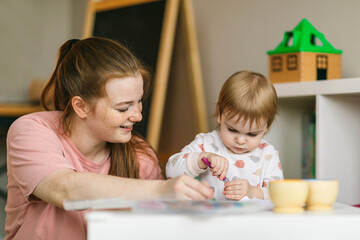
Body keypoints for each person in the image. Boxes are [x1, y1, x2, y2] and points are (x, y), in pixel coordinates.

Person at [5, 37, 213, 240]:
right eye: (123, 107)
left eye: (139, 102)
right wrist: (162, 190)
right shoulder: (31, 131)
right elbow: (64, 189)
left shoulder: (140, 156)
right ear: (81, 106)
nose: (138, 115)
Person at [166, 70, 283, 201]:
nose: (240, 140)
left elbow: (278, 195)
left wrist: (252, 191)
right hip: (210, 218)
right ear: (220, 115)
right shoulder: (206, 144)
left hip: (250, 221)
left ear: (266, 126)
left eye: (252, 134)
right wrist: (202, 159)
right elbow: (170, 171)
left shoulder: (268, 155)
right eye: (232, 130)